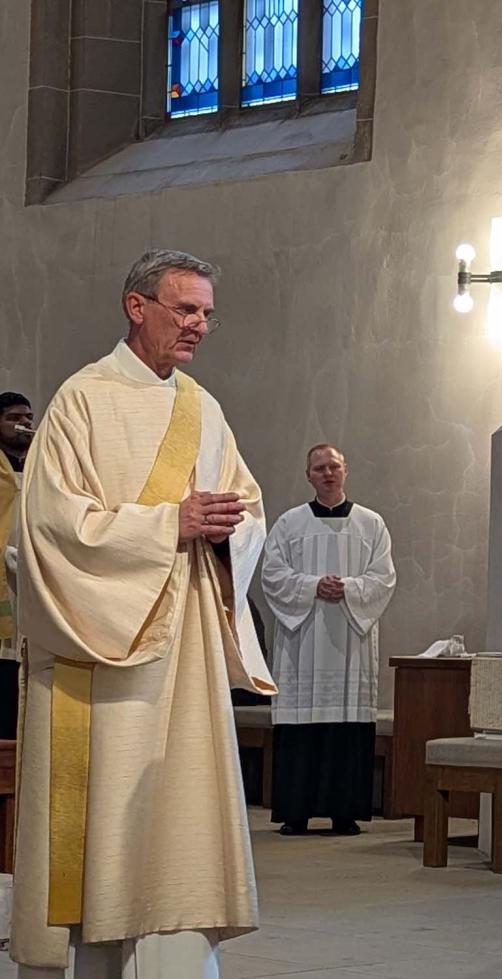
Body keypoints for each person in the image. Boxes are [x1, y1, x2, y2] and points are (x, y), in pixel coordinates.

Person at [10, 249, 275, 978]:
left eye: (207, 313)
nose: (200, 325)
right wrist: (170, 524)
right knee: (97, 851)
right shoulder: (81, 401)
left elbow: (247, 507)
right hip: (97, 661)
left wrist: (229, 531)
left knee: (178, 838)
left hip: (182, 654)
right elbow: (50, 528)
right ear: (137, 306)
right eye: (186, 308)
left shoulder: (204, 409)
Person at [261, 443, 395, 836]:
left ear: (346, 471)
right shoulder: (289, 524)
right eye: (319, 468)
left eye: (333, 466)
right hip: (303, 641)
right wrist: (312, 586)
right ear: (308, 476)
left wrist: (349, 588)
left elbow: (384, 577)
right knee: (302, 724)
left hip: (348, 641)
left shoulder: (372, 524)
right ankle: (295, 812)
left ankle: (344, 811)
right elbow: (271, 575)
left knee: (346, 722)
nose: (327, 473)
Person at [0, 392, 34, 737]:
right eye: (13, 418)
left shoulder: (41, 463)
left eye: (28, 417)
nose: (24, 424)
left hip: (30, 576)